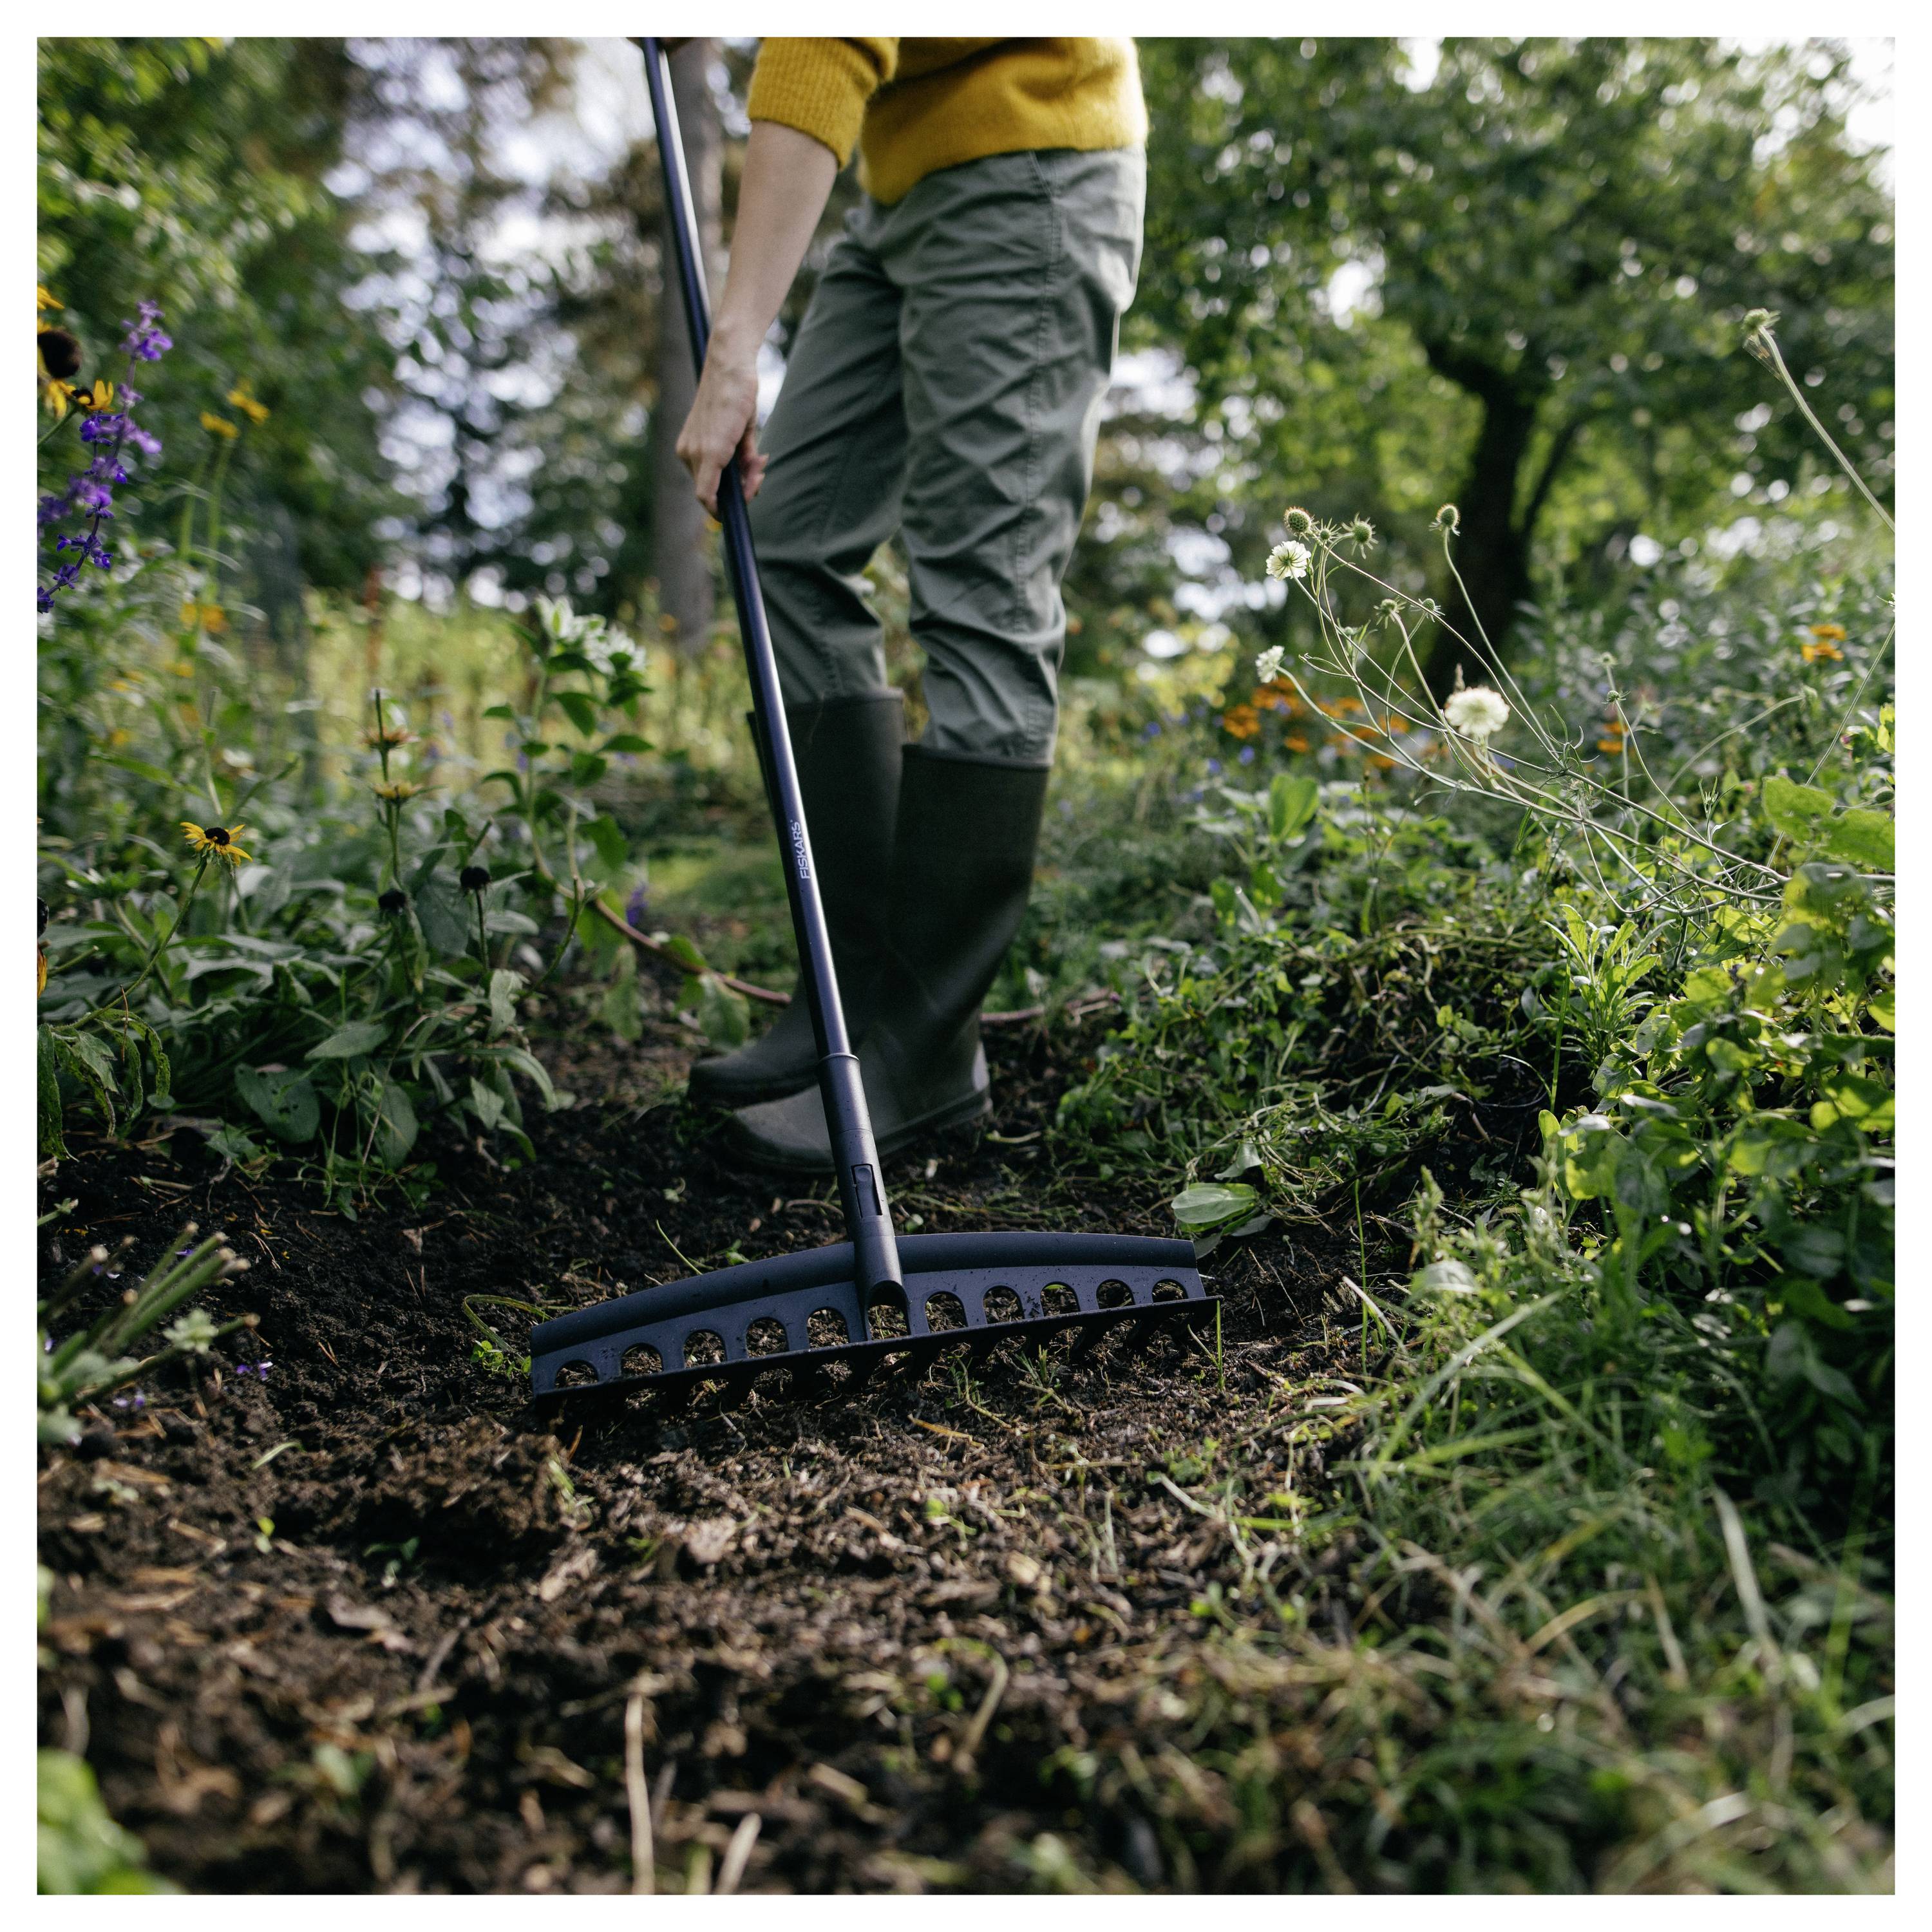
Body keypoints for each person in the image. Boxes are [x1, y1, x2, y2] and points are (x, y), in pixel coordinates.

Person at [672, 37, 1146, 1173]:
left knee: (982, 592)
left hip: (1031, 156)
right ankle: (851, 997)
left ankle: (926, 1057)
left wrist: (734, 351)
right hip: (902, 190)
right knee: (782, 547)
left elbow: (827, 40)